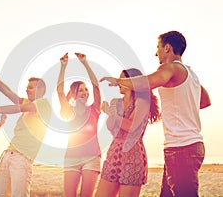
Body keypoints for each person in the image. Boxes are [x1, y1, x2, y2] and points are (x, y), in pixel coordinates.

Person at [100, 31, 211, 197]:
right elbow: (204, 101)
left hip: (181, 148)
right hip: (187, 147)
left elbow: (148, 82)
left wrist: (119, 81)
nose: (156, 52)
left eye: (158, 47)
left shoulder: (170, 67)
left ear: (167, 48)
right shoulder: (191, 75)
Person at [0, 55, 52, 197]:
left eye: (30, 88)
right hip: (8, 155)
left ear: (40, 89)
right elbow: (7, 91)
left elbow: (17, 108)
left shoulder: (43, 104)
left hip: (22, 159)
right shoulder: (26, 102)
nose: (27, 90)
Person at [95, 68, 160, 197]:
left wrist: (112, 114)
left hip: (133, 155)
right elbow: (110, 126)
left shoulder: (142, 103)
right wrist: (110, 114)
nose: (119, 83)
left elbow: (131, 127)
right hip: (114, 152)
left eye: (123, 79)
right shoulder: (116, 102)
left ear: (132, 82)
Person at [57, 52, 101, 197]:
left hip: (92, 157)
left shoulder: (94, 109)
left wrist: (85, 63)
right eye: (80, 90)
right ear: (74, 94)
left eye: (85, 89)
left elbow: (96, 87)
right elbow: (60, 91)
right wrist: (63, 66)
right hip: (71, 157)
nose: (85, 92)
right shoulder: (68, 111)